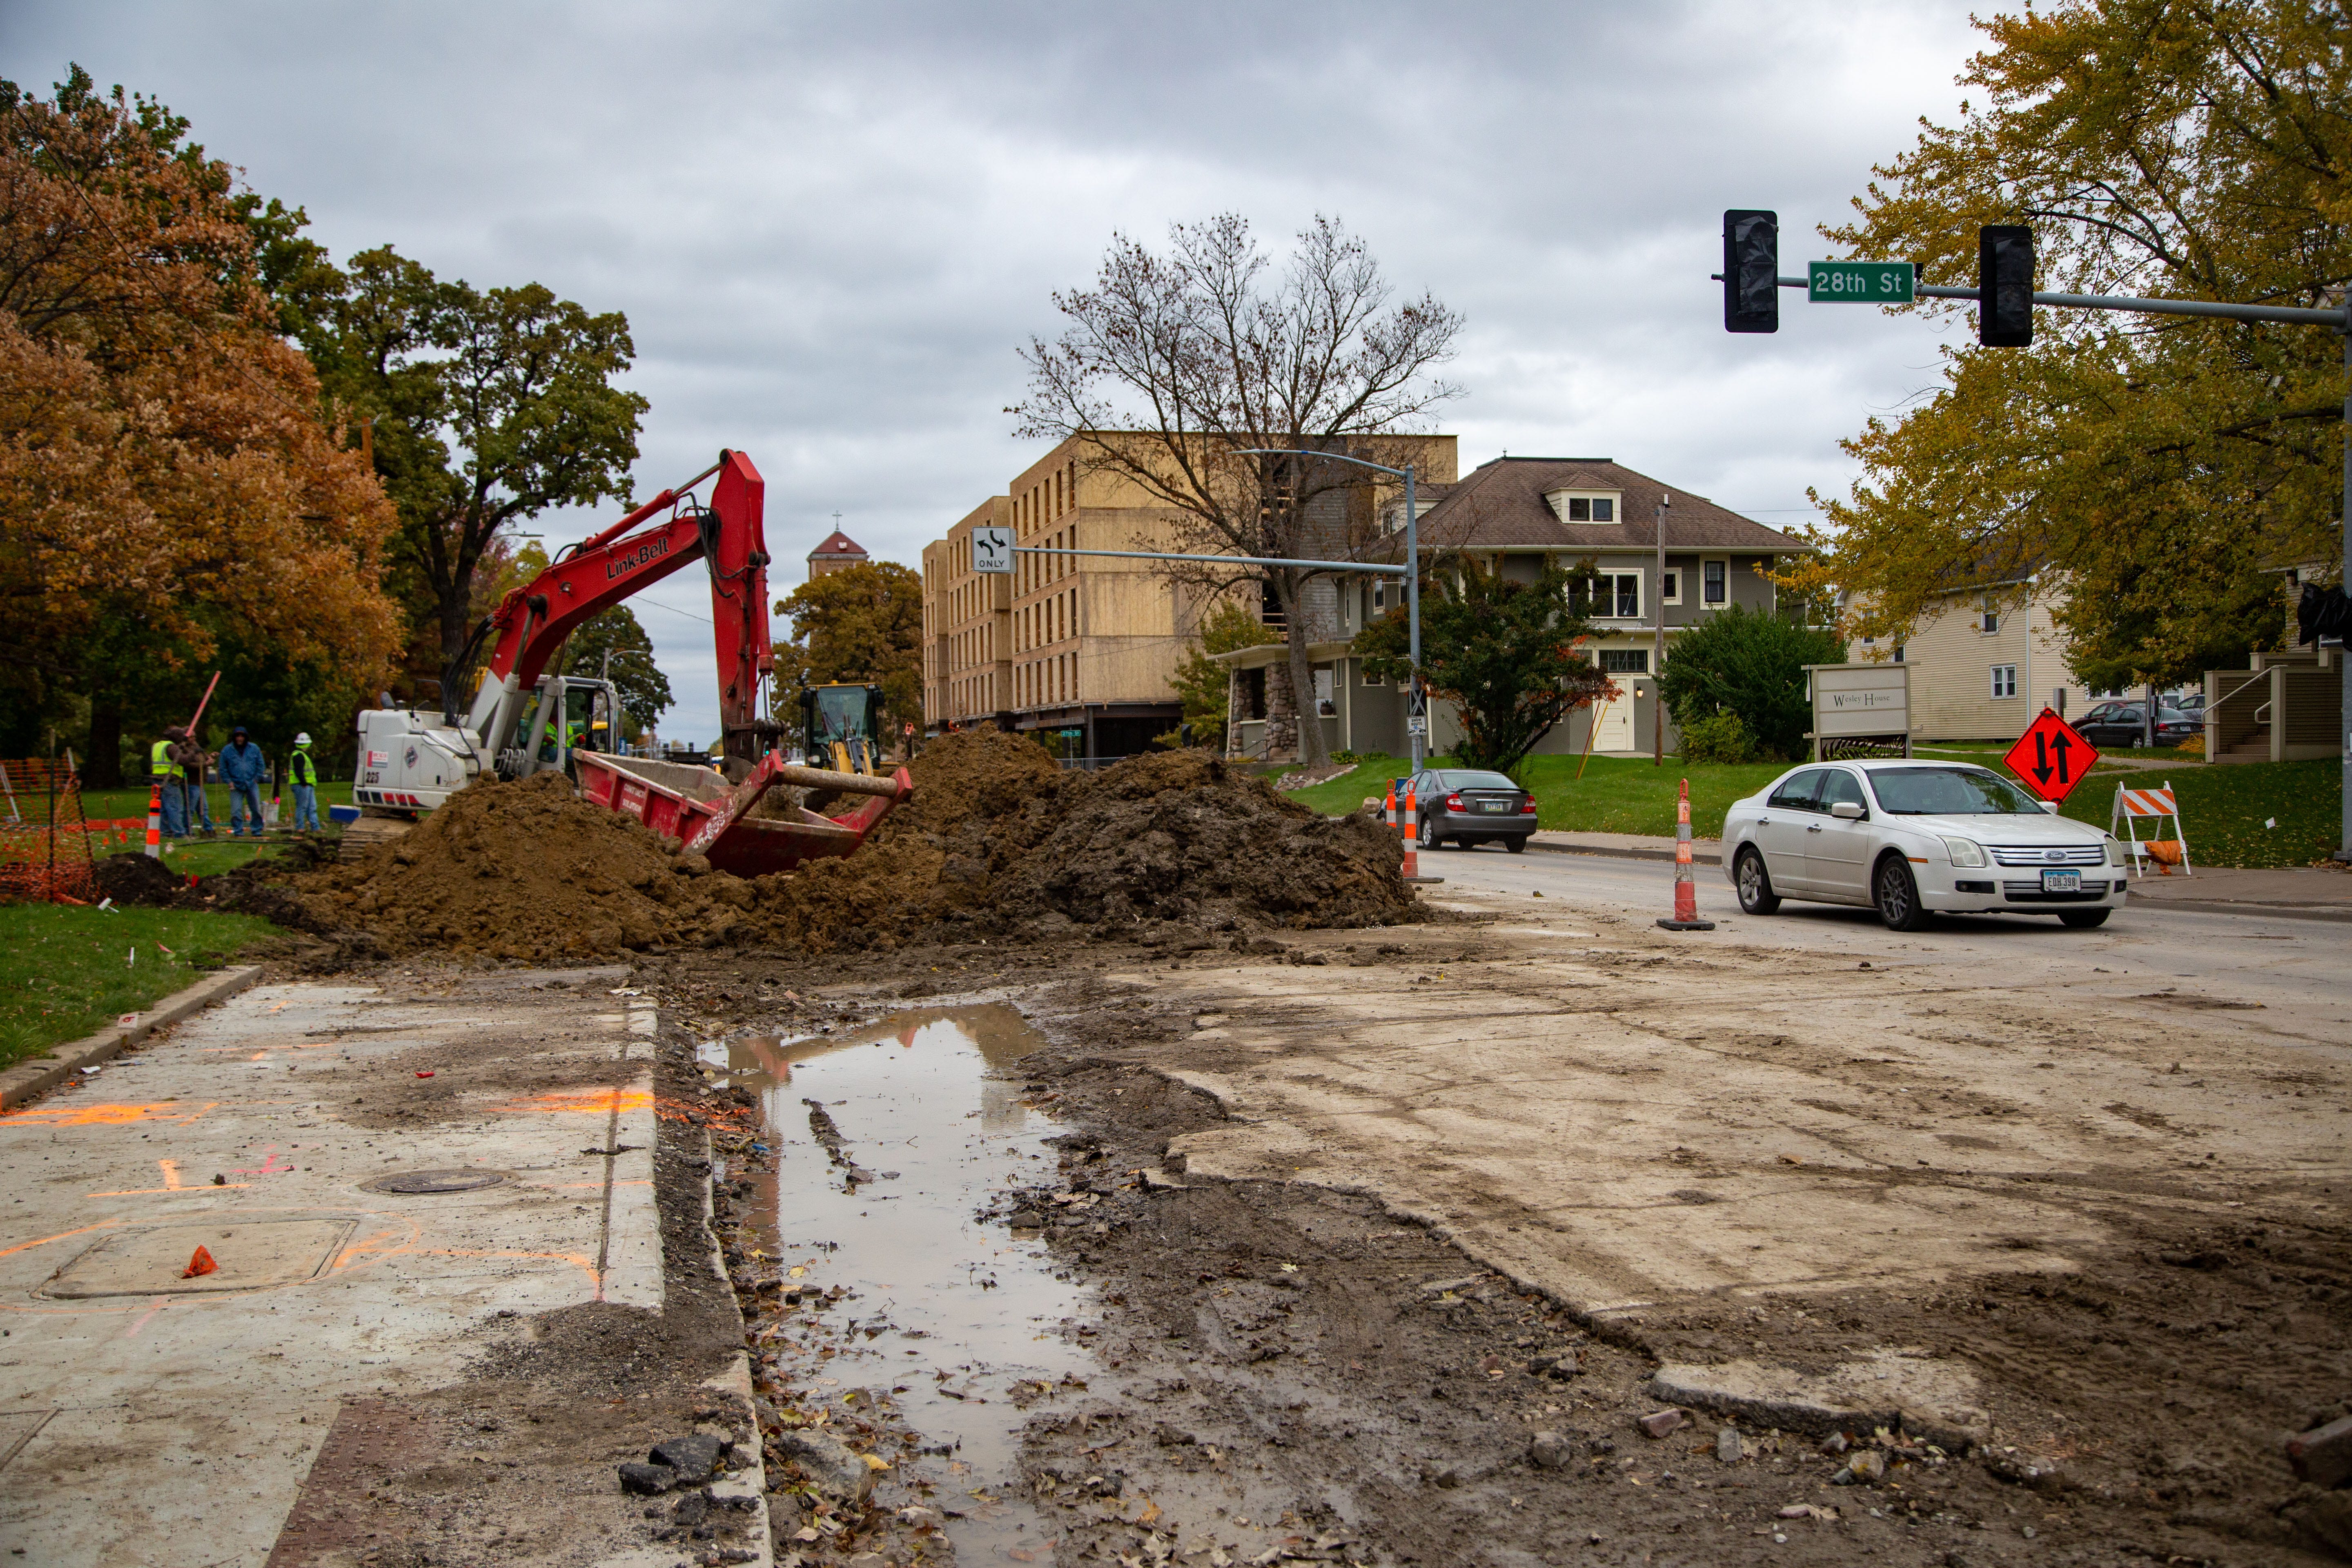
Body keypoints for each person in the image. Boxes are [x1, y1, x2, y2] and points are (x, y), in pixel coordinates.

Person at [220, 725, 267, 837]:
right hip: (235, 785)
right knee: (236, 811)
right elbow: (223, 768)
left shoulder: (254, 749)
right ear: (234, 737)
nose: (239, 739)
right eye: (237, 736)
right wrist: (228, 781)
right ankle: (238, 831)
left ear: (246, 737)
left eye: (242, 736)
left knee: (256, 808)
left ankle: (256, 830)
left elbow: (261, 765)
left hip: (252, 783)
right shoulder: (227, 750)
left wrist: (257, 778)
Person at [169, 730, 214, 835]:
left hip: (200, 783)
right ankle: (188, 830)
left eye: (195, 737)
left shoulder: (197, 747)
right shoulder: (183, 748)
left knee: (204, 808)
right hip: (191, 783)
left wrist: (211, 758)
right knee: (190, 809)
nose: (193, 739)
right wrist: (204, 764)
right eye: (191, 737)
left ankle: (208, 828)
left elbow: (205, 758)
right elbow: (187, 764)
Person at [150, 727, 187, 839]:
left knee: (164, 808)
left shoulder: (156, 746)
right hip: (169, 781)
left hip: (157, 779)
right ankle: (179, 833)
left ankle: (165, 832)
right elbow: (183, 760)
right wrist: (193, 753)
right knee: (175, 807)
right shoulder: (171, 747)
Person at [287, 732, 321, 831]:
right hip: (302, 785)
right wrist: (304, 783)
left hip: (306, 785)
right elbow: (299, 771)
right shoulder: (299, 755)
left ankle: (315, 827)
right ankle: (300, 827)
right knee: (303, 807)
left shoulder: (300, 755)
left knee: (312, 807)